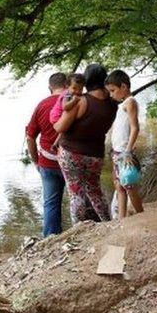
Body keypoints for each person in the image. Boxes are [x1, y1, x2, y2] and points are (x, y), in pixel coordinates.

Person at [54, 63, 118, 223]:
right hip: (95, 155)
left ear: (87, 80)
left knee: (76, 192)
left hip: (71, 153)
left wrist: (55, 124)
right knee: (95, 191)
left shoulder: (81, 101)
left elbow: (60, 126)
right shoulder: (112, 104)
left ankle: (78, 228)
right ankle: (107, 222)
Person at [25, 72, 68, 237]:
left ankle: (51, 238)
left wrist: (36, 161)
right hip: (71, 160)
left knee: (51, 203)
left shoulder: (41, 105)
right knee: (80, 198)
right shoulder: (74, 101)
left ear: (50, 88)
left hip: (47, 162)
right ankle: (84, 232)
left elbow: (30, 137)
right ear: (67, 84)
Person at [105, 69, 144, 219]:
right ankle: (121, 220)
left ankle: (141, 215)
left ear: (124, 87)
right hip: (117, 152)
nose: (111, 94)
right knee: (119, 186)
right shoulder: (122, 105)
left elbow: (135, 127)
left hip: (124, 153)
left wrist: (128, 151)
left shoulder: (130, 102)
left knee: (129, 186)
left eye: (113, 90)